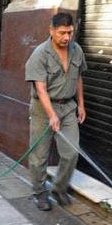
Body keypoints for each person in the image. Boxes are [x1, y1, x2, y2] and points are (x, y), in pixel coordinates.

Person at [25, 12, 87, 211]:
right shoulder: (40, 54)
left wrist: (81, 105)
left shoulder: (76, 50)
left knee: (71, 152)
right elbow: (40, 88)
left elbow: (78, 78)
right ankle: (39, 192)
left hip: (68, 107)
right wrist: (51, 115)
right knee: (39, 155)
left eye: (70, 32)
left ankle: (59, 188)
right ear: (51, 31)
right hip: (43, 109)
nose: (67, 37)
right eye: (62, 33)